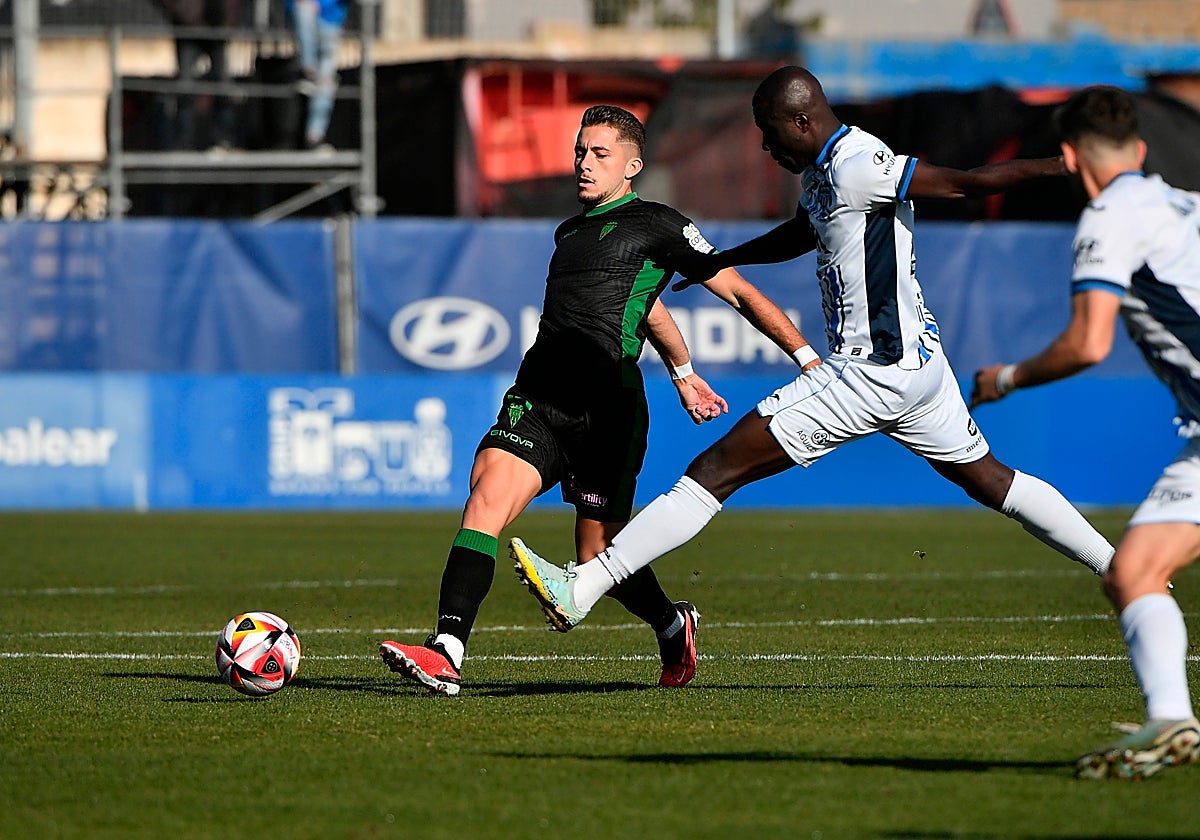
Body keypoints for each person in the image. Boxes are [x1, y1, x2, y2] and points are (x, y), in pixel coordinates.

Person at [512, 66, 1116, 651]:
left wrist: (1062, 165)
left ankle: (584, 586)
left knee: (715, 470)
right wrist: (720, 261)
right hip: (921, 371)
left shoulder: (858, 163)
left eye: (767, 129)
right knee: (992, 480)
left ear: (800, 120)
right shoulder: (822, 175)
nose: (763, 144)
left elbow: (964, 182)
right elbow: (802, 233)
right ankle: (1122, 570)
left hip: (871, 371)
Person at [379, 104, 815, 695]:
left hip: (608, 409)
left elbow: (734, 289)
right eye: (580, 151)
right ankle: (447, 651)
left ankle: (670, 623)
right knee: (486, 496)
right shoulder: (570, 231)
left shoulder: (658, 223)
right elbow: (648, 307)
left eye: (599, 154)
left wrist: (807, 360)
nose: (583, 164)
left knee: (598, 556)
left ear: (632, 165)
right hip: (539, 396)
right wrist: (681, 367)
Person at [971, 86, 1200, 780]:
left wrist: (1007, 378)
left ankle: (1170, 717)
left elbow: (1088, 343)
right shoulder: (1183, 203)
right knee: (1134, 572)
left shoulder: (1109, 215)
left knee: (1135, 572)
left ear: (1069, 157)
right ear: (1138, 149)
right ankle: (1170, 722)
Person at [161, 0, 240, 150]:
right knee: (185, 87)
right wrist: (184, 11)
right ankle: (185, 139)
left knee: (223, 86)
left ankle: (223, 138)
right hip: (187, 28)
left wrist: (227, 20)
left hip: (218, 27)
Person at [286, 0, 348, 150]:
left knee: (326, 81)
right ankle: (307, 71)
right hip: (305, 26)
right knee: (303, 10)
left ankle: (315, 136)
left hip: (331, 22)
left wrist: (320, 5)